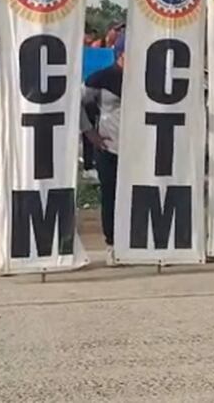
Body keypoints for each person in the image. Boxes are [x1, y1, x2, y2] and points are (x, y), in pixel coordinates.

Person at [80, 33, 125, 263]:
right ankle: (112, 244)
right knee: (111, 196)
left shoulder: (147, 78)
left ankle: (135, 241)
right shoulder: (99, 79)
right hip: (109, 148)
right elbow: (78, 104)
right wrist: (90, 134)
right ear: (120, 53)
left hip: (138, 149)